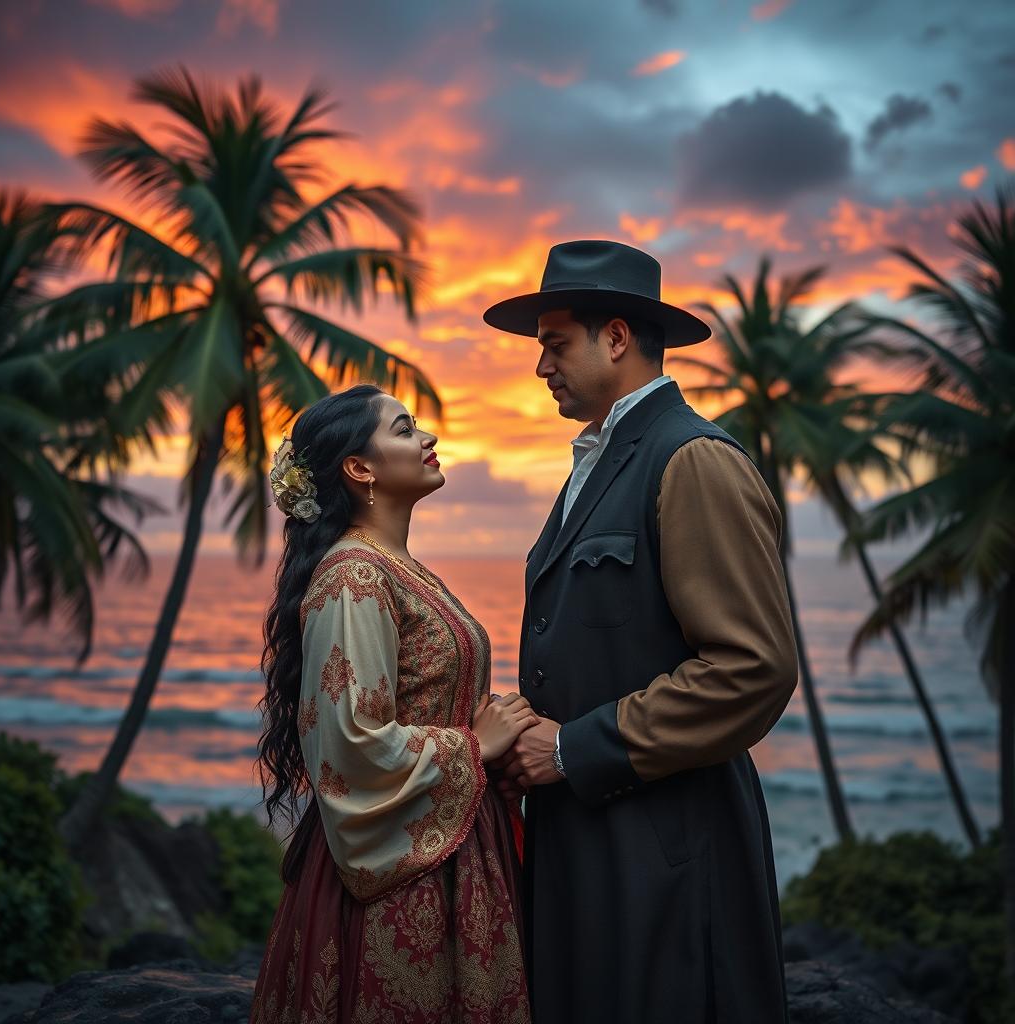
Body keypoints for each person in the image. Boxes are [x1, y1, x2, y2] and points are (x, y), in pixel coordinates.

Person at [482, 240, 800, 1023]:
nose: (540, 366)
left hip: (666, 849)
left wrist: (564, 749)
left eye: (555, 344)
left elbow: (751, 669)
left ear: (616, 338)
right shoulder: (601, 460)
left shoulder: (692, 459)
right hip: (590, 844)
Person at [249, 384, 533, 1023]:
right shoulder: (354, 574)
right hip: (400, 872)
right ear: (360, 468)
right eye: (405, 429)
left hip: (451, 836)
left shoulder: (396, 566)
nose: (428, 438)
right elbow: (349, 743)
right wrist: (473, 745)